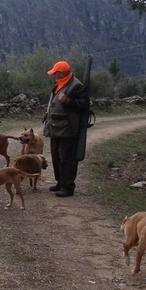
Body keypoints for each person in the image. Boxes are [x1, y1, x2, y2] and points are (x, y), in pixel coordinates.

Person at [43, 60, 90, 197]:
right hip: (55, 128)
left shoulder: (77, 86)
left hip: (68, 129)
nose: (53, 75)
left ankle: (68, 187)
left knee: (67, 159)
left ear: (62, 73)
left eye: (55, 73)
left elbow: (85, 104)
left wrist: (68, 101)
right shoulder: (59, 84)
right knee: (57, 157)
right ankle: (60, 183)